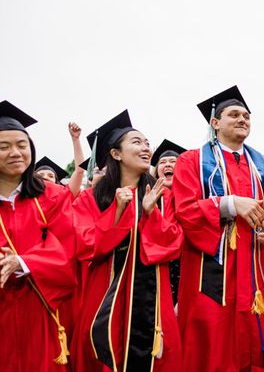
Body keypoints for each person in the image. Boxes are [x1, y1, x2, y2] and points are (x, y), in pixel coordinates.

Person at [172, 86, 264, 372]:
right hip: (212, 277)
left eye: (247, 116)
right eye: (234, 115)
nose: (242, 120)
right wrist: (228, 203)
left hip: (258, 273)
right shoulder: (192, 161)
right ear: (215, 123)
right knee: (213, 346)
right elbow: (184, 212)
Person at [72, 110, 183, 372]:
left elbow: (173, 245)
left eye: (147, 143)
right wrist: (117, 213)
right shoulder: (92, 199)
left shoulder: (162, 197)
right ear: (116, 154)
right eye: (137, 142)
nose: (146, 148)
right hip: (104, 301)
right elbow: (86, 245)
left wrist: (150, 213)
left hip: (154, 306)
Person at [0, 100, 76, 372]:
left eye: (22, 145)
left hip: (40, 308)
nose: (15, 153)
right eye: (3, 147)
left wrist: (23, 262)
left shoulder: (53, 196)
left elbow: (67, 247)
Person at [151, 139, 186, 306]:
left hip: (187, 261)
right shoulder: (149, 196)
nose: (168, 165)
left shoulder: (193, 195)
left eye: (173, 161)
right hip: (159, 260)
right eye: (162, 162)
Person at [36, 123, 86, 197]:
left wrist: (75, 139)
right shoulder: (23, 198)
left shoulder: (62, 197)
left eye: (50, 176)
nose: (45, 177)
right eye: (40, 175)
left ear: (56, 182)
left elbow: (79, 171)